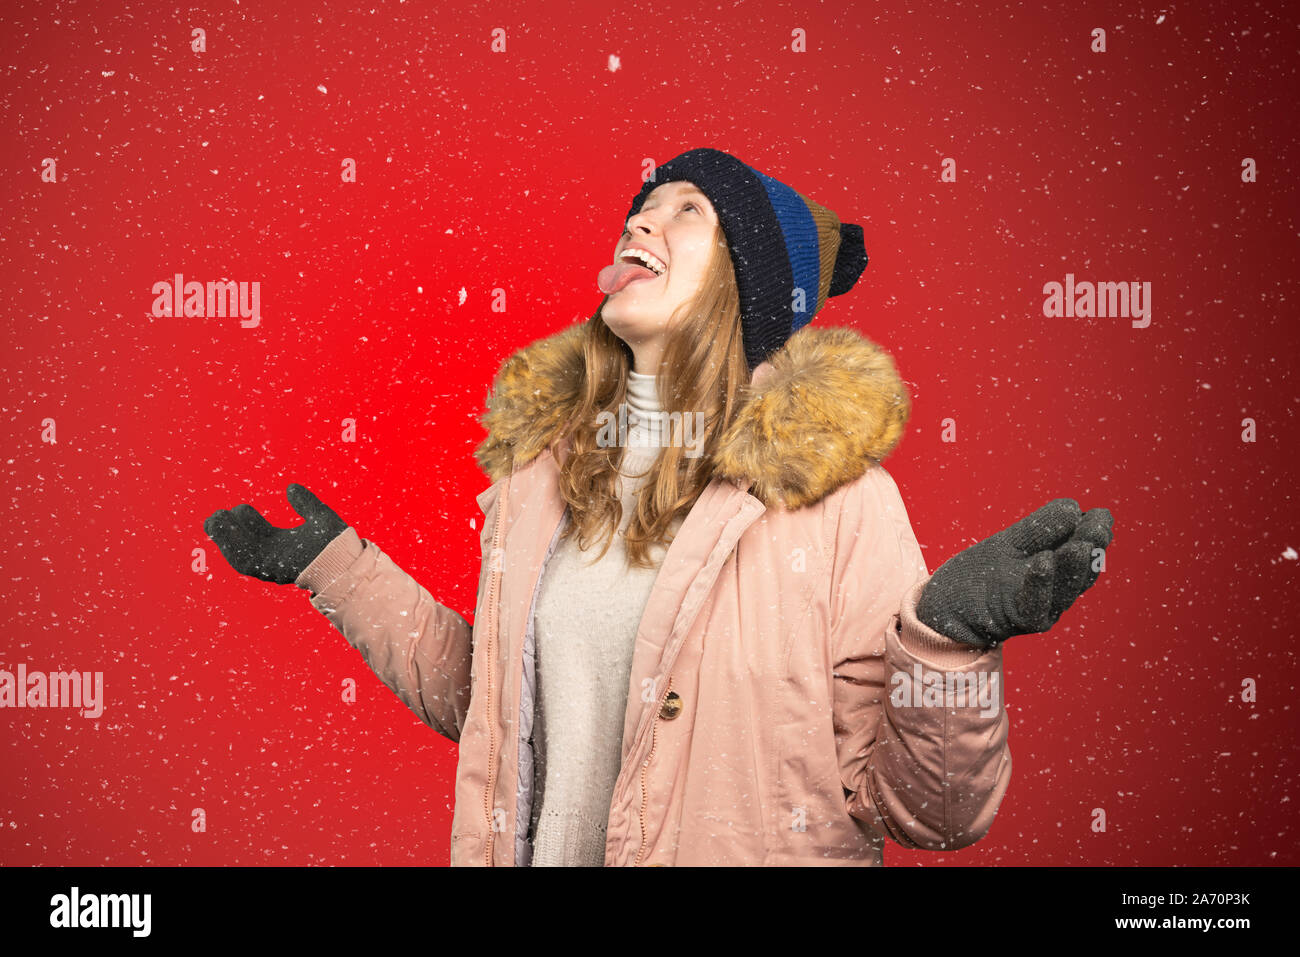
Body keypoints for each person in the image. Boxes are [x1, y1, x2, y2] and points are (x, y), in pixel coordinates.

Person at [203, 147, 1114, 866]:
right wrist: (338, 569)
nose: (645, 217)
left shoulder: (838, 503)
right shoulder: (545, 486)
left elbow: (931, 812)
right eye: (646, 204)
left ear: (744, 285)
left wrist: (946, 644)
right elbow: (492, 703)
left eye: (691, 209)